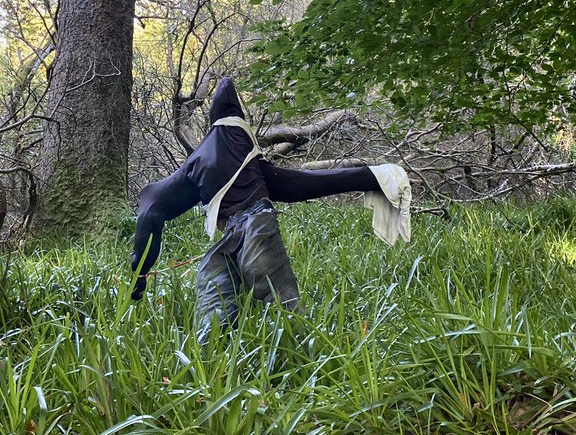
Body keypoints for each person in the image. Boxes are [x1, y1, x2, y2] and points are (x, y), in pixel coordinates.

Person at [131, 77, 411, 341]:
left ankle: (300, 360)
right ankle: (215, 364)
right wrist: (371, 176)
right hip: (240, 230)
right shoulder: (246, 156)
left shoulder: (207, 158)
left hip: (253, 225)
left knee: (276, 301)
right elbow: (298, 185)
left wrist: (140, 271)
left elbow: (153, 209)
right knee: (215, 288)